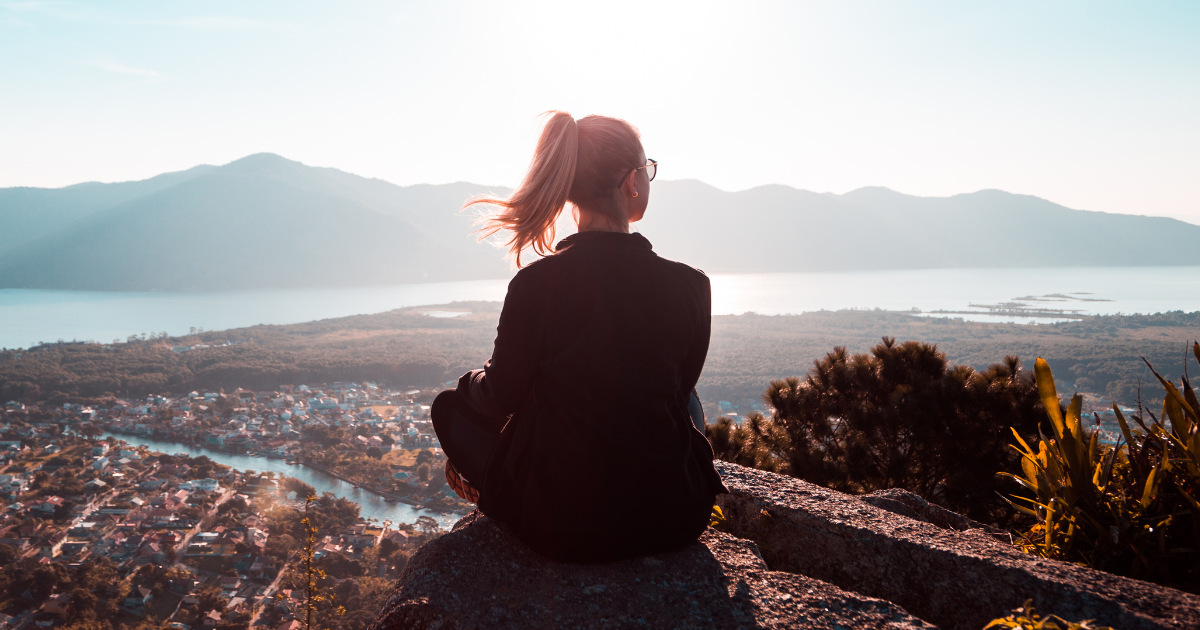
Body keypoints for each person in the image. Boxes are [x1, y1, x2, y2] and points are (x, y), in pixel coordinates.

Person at [431, 111, 726, 563]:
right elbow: (678, 389)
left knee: (448, 408)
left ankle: (498, 488)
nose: (647, 180)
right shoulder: (690, 285)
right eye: (647, 170)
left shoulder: (535, 284)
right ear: (631, 181)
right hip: (674, 515)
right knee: (685, 399)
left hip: (561, 524)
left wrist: (471, 380)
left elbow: (499, 396)